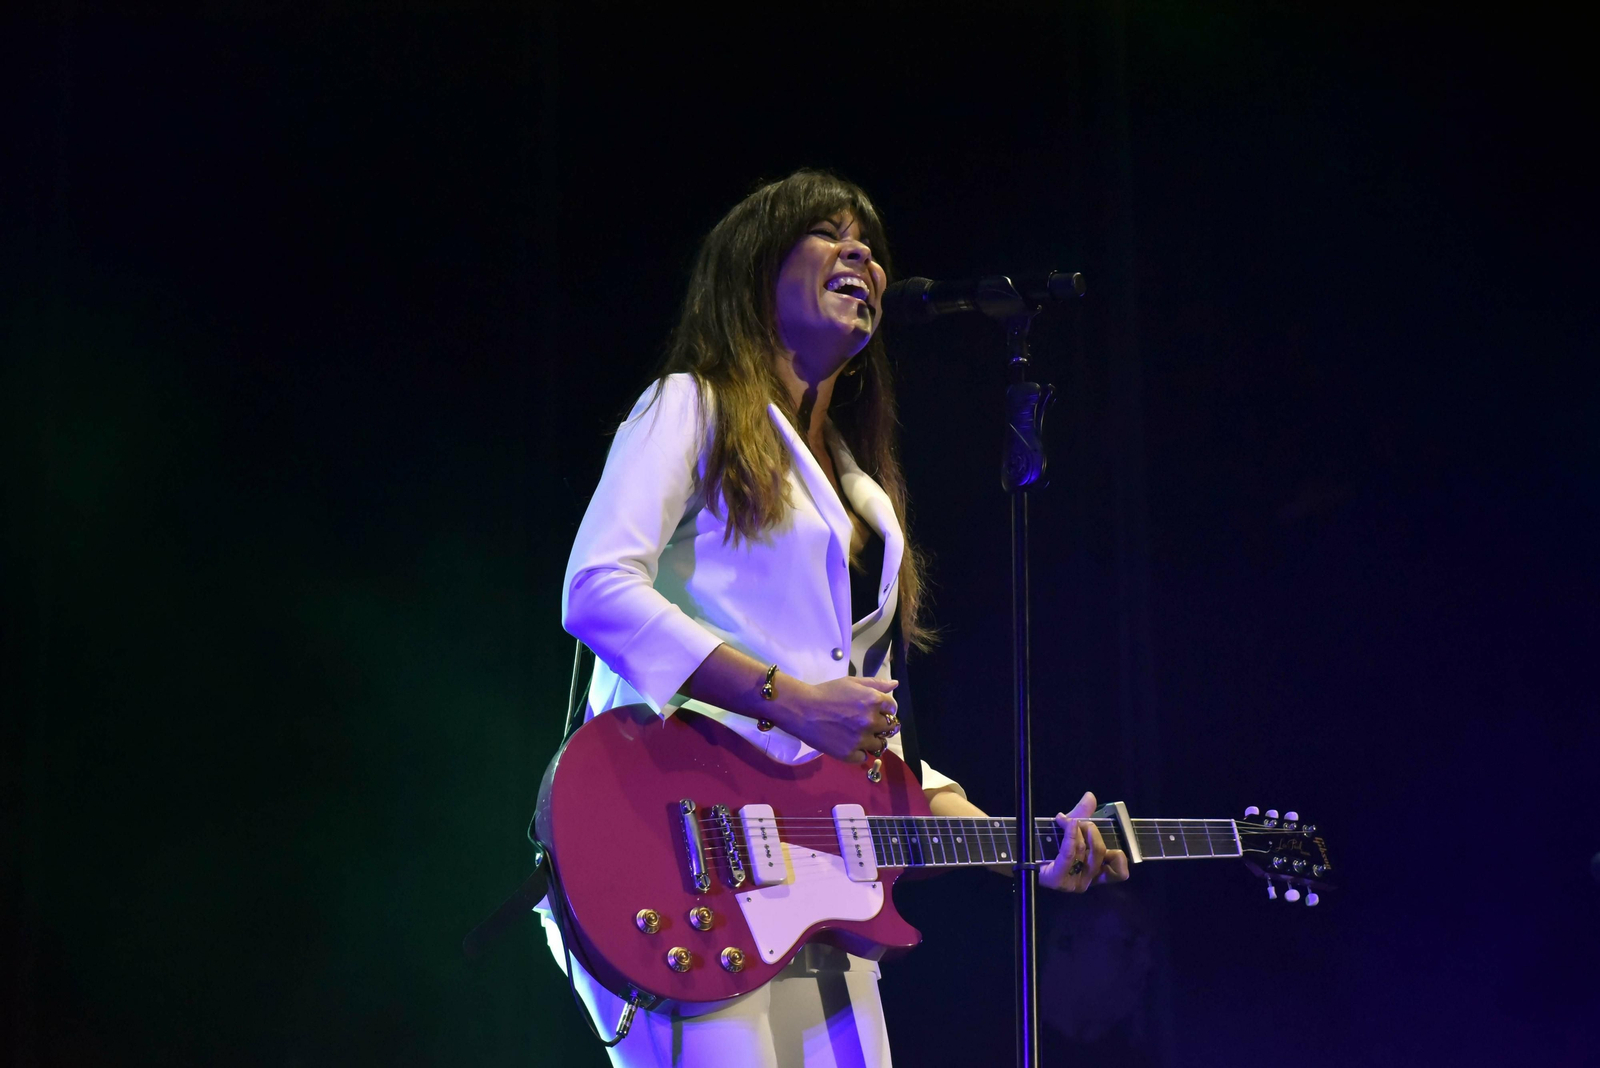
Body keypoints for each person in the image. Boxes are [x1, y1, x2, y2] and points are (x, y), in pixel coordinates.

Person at [547, 169, 1129, 1068]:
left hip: (822, 900)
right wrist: (788, 699)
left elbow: (874, 757)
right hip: (684, 857)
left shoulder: (864, 492)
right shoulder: (686, 405)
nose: (862, 252)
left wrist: (1022, 848)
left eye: (869, 242)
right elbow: (595, 590)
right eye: (828, 233)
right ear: (753, 271)